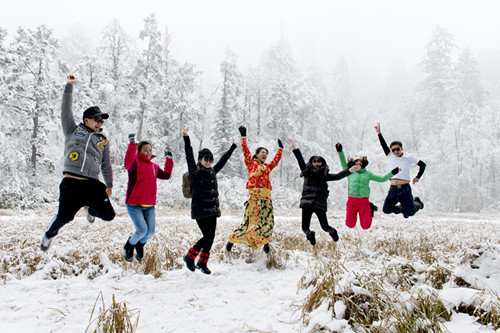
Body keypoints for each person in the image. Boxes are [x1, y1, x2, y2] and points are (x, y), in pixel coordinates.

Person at [41, 75, 115, 251]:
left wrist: (110, 184)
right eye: (97, 119)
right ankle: (49, 234)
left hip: (92, 184)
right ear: (86, 119)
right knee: (65, 217)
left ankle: (90, 209)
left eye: (102, 121)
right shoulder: (72, 130)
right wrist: (69, 86)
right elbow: (65, 110)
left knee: (109, 215)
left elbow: (106, 164)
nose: (99, 123)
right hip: (71, 183)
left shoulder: (102, 140)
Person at [183, 128, 237, 275]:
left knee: (211, 237)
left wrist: (233, 147)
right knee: (207, 236)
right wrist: (187, 139)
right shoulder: (196, 171)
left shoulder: (213, 171)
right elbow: (189, 156)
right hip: (200, 210)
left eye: (210, 159)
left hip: (212, 210)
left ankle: (202, 262)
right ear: (200, 159)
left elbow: (223, 160)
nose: (208, 161)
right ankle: (190, 256)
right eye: (206, 159)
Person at [288, 139, 361, 245]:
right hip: (307, 203)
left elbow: (338, 176)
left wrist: (350, 170)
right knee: (304, 228)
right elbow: (299, 159)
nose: (316, 163)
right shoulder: (307, 172)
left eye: (319, 161)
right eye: (314, 161)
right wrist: (293, 147)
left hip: (319, 204)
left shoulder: (325, 175)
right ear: (311, 163)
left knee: (325, 227)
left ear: (322, 163)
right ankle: (310, 235)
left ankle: (333, 232)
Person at [226, 126, 283, 253]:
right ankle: (232, 239)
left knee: (268, 222)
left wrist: (280, 149)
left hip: (266, 199)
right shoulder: (251, 164)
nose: (265, 154)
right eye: (262, 152)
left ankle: (266, 242)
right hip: (255, 198)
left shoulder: (267, 167)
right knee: (251, 223)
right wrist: (243, 137)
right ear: (257, 154)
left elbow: (276, 161)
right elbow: (245, 150)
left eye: (266, 153)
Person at [122, 134, 174, 262]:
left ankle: (140, 244)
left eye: (150, 150)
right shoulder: (134, 162)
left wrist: (169, 159)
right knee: (141, 230)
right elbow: (127, 163)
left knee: (150, 232)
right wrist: (132, 144)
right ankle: (129, 246)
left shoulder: (153, 166)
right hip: (134, 205)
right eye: (145, 150)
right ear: (139, 151)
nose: (148, 152)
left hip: (149, 206)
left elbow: (166, 175)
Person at [336, 142, 399, 230]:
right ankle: (366, 210)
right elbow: (343, 162)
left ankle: (371, 209)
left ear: (363, 163)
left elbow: (382, 179)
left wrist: (392, 172)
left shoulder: (367, 174)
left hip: (363, 201)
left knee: (365, 226)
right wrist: (340, 151)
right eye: (356, 162)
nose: (358, 163)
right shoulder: (349, 172)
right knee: (350, 225)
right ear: (353, 164)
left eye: (360, 162)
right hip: (352, 200)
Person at [374, 122, 425, 218]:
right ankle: (402, 208)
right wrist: (379, 133)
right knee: (386, 209)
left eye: (397, 149)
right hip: (393, 190)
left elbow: (422, 165)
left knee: (410, 212)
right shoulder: (390, 156)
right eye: (393, 150)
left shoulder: (408, 157)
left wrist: (417, 177)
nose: (395, 151)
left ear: (401, 148)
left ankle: (417, 203)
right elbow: (383, 144)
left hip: (405, 189)